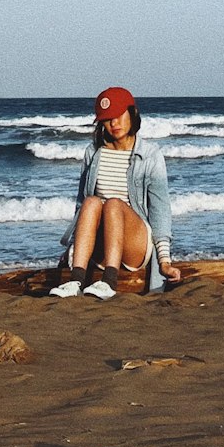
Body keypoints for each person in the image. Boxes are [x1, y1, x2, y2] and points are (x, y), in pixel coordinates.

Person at [50, 86, 180, 299]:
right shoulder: (93, 153)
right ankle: (75, 280)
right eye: (107, 119)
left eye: (119, 115)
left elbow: (160, 209)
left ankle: (109, 282)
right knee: (91, 202)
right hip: (102, 244)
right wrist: (73, 247)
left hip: (135, 243)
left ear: (132, 113)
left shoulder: (150, 155)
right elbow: (80, 204)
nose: (114, 123)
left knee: (112, 204)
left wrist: (164, 262)